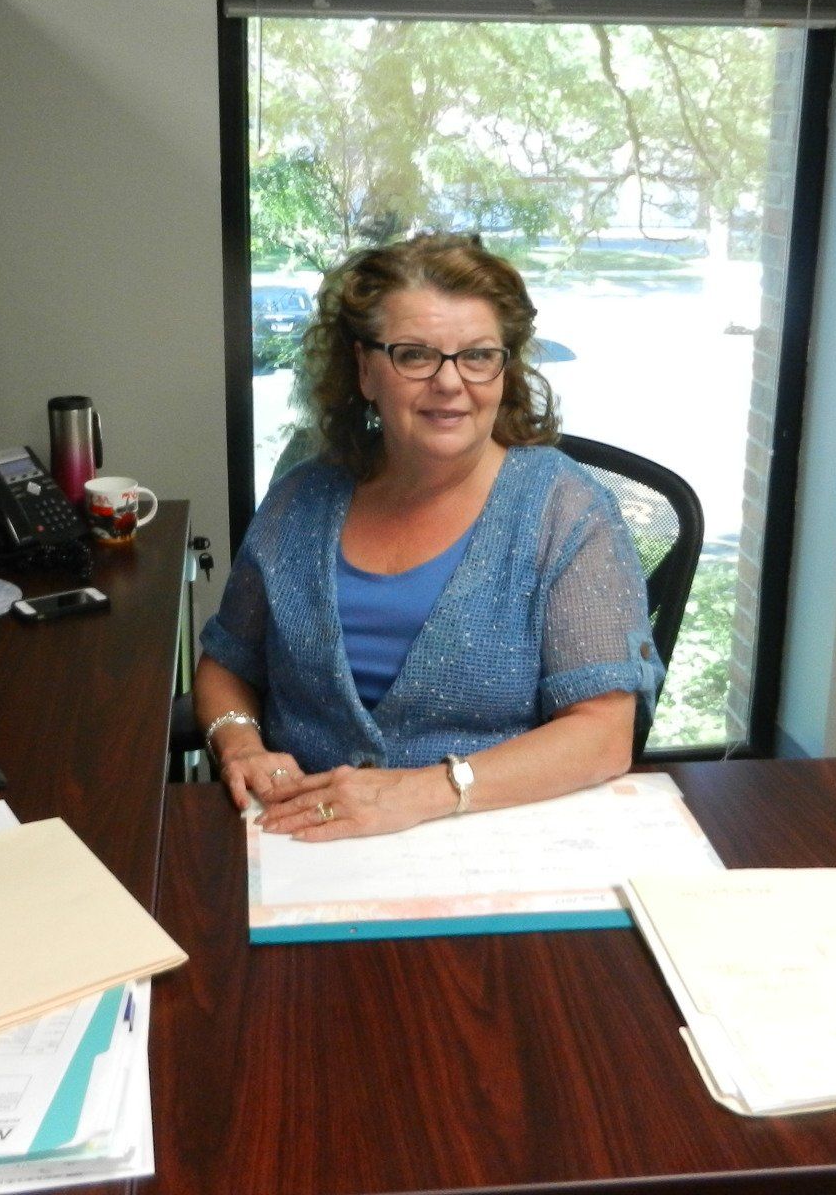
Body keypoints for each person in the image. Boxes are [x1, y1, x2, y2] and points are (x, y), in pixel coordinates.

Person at [195, 233, 665, 841]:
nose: (450, 382)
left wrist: (421, 793)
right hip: (297, 842)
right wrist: (238, 745)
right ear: (365, 371)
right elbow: (227, 663)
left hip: (490, 842)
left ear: (505, 369)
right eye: (415, 355)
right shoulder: (300, 499)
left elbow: (603, 735)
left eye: (477, 355)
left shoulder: (567, 512)